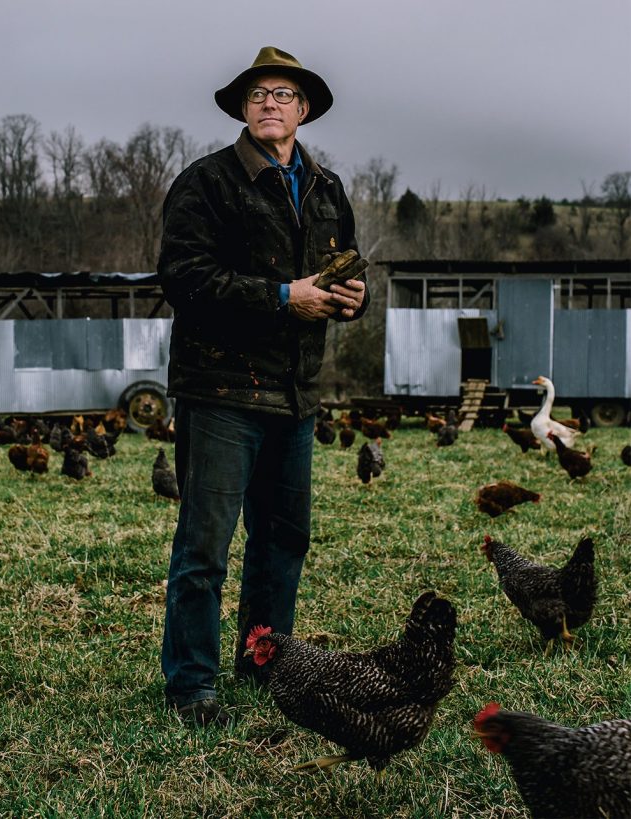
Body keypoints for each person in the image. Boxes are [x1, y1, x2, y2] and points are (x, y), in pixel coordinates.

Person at [157, 46, 369, 727]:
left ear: (303, 110)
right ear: (242, 110)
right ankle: (191, 687)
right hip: (220, 391)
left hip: (295, 395)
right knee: (204, 546)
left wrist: (350, 300)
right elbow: (183, 280)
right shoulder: (207, 184)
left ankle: (262, 665)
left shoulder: (327, 190)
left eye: (282, 93)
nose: (269, 103)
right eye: (257, 95)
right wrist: (282, 296)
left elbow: (332, 280)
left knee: (283, 540)